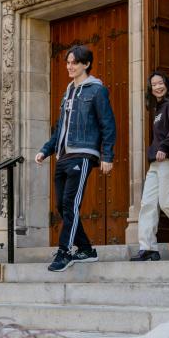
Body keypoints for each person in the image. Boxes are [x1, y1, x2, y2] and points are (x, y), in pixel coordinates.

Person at [36, 44, 117, 272]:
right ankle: (86, 249)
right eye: (68, 62)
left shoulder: (96, 91)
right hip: (63, 156)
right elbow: (60, 127)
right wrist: (46, 149)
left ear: (86, 64)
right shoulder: (68, 92)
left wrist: (107, 155)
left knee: (70, 204)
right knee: (62, 206)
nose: (70, 67)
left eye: (74, 62)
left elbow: (107, 124)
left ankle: (65, 251)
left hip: (83, 154)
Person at [134, 72, 169, 261]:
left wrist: (165, 147)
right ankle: (148, 247)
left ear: (167, 84)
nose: (157, 87)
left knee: (168, 203)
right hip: (156, 164)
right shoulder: (158, 109)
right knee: (147, 205)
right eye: (154, 84)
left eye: (161, 83)